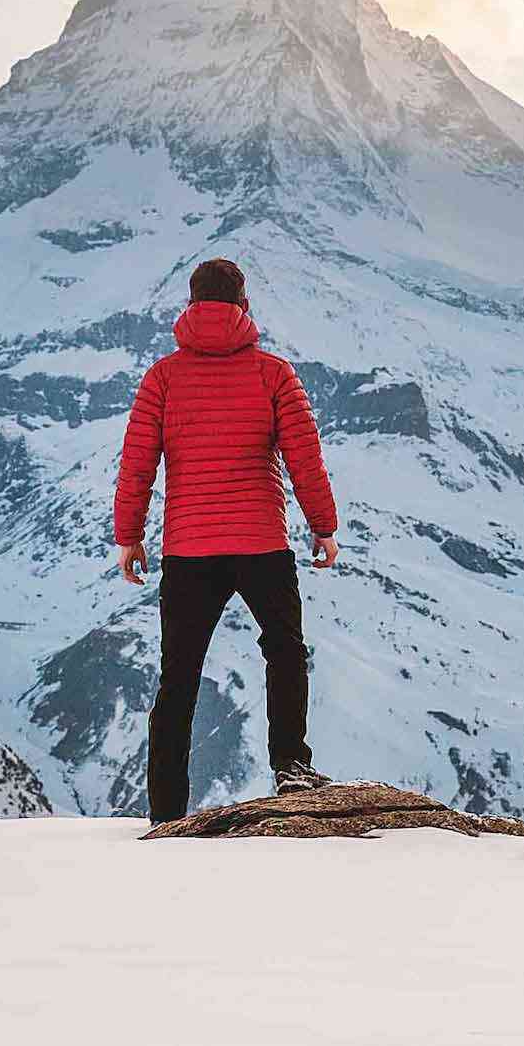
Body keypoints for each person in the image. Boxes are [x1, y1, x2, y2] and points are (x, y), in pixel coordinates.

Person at [113, 257, 340, 824]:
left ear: (190, 305)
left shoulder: (162, 377)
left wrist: (129, 536)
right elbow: (304, 457)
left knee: (179, 677)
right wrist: (324, 526)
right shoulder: (273, 373)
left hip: (189, 550)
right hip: (261, 541)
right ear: (243, 305)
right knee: (284, 649)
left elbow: (137, 463)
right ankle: (291, 766)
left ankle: (166, 811)